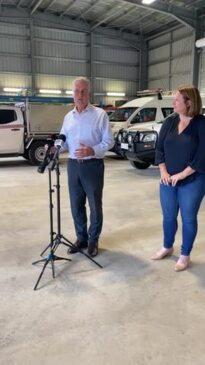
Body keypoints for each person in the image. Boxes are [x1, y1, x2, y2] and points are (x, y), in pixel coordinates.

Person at [151, 85, 205, 271]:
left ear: (189, 102)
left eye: (177, 100)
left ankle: (184, 254)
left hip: (192, 180)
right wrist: (163, 172)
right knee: (168, 216)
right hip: (167, 180)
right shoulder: (169, 122)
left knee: (188, 218)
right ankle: (167, 246)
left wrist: (182, 175)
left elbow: (202, 155)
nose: (173, 102)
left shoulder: (201, 124)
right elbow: (159, 149)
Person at [60, 77, 114, 257]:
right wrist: (55, 147)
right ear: (72, 94)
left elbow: (109, 141)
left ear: (88, 93)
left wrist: (92, 150)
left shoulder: (100, 115)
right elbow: (64, 142)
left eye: (83, 91)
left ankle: (93, 240)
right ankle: (81, 238)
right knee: (76, 205)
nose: (80, 95)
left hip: (93, 166)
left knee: (94, 205)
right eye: (76, 91)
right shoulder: (68, 117)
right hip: (73, 166)